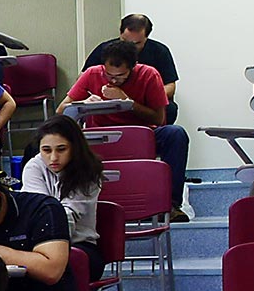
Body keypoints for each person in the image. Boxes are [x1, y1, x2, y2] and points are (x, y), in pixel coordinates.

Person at [59, 40, 191, 221]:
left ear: (133, 67)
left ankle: (171, 204)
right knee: (59, 141)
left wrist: (128, 102)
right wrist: (83, 104)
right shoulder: (92, 74)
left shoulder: (149, 74)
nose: (113, 80)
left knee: (175, 134)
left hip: (140, 135)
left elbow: (158, 118)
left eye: (120, 76)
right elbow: (61, 110)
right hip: (101, 137)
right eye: (109, 74)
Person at [21, 116, 107, 281]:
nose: (53, 158)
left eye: (61, 149)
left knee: (54, 268)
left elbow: (65, 218)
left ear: (75, 148)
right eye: (46, 150)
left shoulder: (88, 171)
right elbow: (36, 210)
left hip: (79, 246)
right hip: (38, 244)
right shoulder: (33, 166)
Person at [83, 13, 178, 124]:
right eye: (125, 41)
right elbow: (83, 78)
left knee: (169, 110)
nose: (130, 47)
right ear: (120, 34)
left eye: (137, 43)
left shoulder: (159, 52)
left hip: (145, 102)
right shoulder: (105, 49)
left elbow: (170, 86)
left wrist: (137, 98)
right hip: (109, 100)